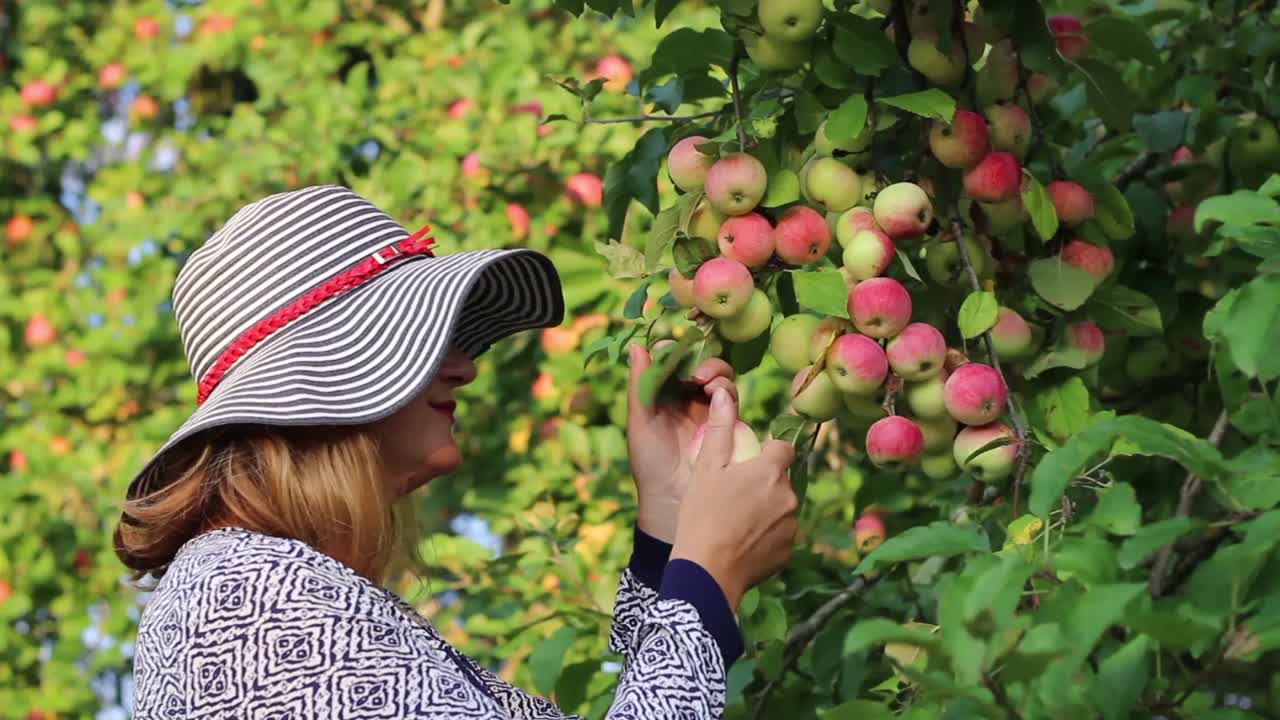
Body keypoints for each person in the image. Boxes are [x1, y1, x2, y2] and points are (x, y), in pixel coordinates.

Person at [116, 184, 799, 719]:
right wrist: (705, 581)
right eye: (416, 337)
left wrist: (671, 529)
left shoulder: (262, 590)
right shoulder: (247, 600)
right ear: (325, 371)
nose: (464, 366)